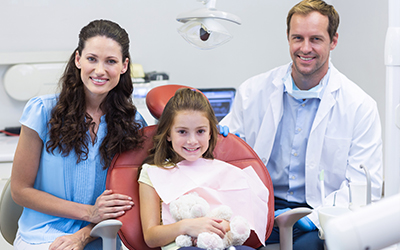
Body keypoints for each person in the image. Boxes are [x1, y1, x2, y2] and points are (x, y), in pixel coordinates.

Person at [219, 0, 383, 249]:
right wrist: (214, 142)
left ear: (333, 41)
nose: (305, 48)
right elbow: (223, 161)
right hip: (257, 213)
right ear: (287, 37)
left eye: (315, 39)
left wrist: (314, 218)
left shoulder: (359, 106)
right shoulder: (253, 92)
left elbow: (363, 187)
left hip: (317, 219)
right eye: (298, 38)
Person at [10, 19, 147, 250]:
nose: (100, 70)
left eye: (110, 61)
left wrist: (84, 235)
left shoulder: (133, 125)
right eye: (92, 59)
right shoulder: (42, 112)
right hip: (43, 236)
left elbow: (125, 202)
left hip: (101, 236)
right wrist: (90, 212)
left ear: (124, 66)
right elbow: (20, 190)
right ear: (78, 59)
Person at [138, 88, 270, 250]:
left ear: (210, 133)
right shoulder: (152, 172)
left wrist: (225, 227)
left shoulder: (222, 171)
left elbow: (238, 224)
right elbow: (151, 237)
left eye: (200, 131)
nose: (192, 140)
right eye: (182, 132)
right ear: (168, 134)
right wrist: (187, 226)